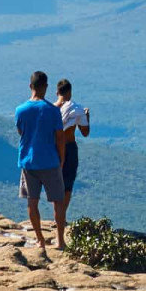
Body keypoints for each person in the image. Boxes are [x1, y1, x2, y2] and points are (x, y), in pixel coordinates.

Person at [14, 70, 67, 251]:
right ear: (46, 87)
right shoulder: (53, 111)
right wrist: (61, 159)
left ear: (31, 86)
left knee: (32, 201)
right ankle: (60, 241)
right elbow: (60, 137)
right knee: (58, 201)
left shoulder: (20, 110)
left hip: (29, 161)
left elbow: (21, 132)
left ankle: (40, 240)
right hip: (50, 161)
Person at [55, 78, 91, 207]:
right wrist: (87, 116)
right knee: (67, 184)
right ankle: (61, 216)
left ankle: (57, 214)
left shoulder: (51, 109)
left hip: (53, 148)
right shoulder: (76, 109)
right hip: (69, 147)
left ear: (57, 93)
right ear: (70, 93)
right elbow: (85, 132)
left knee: (55, 182)